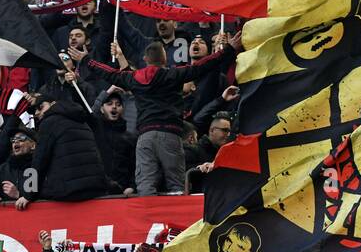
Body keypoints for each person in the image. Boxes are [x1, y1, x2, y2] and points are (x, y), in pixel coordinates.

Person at [73, 32, 242, 195]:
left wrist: (86, 60)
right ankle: (177, 223)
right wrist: (227, 49)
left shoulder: (134, 78)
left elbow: (109, 73)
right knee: (176, 184)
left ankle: (146, 222)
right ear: (165, 58)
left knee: (145, 185)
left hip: (145, 137)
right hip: (170, 135)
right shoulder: (174, 74)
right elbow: (202, 66)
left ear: (146, 59)